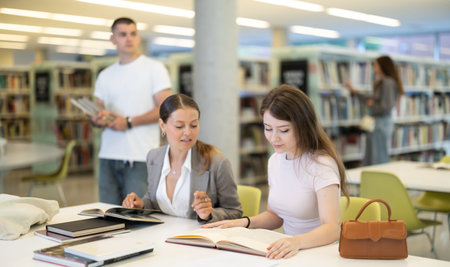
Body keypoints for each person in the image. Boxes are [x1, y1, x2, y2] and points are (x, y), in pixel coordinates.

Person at [202, 84, 349, 259]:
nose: (273, 138)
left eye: (284, 130)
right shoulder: (275, 161)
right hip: (289, 253)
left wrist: (296, 242)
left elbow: (332, 228)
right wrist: (243, 223)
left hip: (318, 254)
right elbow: (275, 216)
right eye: (268, 128)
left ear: (303, 126)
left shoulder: (321, 165)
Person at [122, 94, 242, 223]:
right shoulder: (154, 157)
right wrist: (141, 204)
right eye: (179, 126)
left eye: (194, 125)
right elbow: (154, 201)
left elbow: (234, 211)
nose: (188, 132)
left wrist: (209, 214)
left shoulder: (217, 163)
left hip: (196, 238)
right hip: (161, 235)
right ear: (162, 125)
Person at [90, 17, 172, 205]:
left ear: (138, 37)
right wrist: (97, 119)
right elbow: (98, 112)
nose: (129, 38)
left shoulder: (154, 68)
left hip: (140, 156)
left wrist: (128, 121)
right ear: (113, 39)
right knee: (107, 215)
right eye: (122, 34)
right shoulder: (105, 75)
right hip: (108, 156)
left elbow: (164, 108)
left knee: (138, 216)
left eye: (133, 33)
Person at [346, 55, 404, 166]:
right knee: (372, 155)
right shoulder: (381, 83)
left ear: (383, 66)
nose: (374, 67)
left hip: (381, 124)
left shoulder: (388, 83)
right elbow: (371, 100)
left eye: (376, 65)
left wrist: (372, 105)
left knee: (378, 157)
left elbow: (386, 106)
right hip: (376, 123)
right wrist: (355, 92)